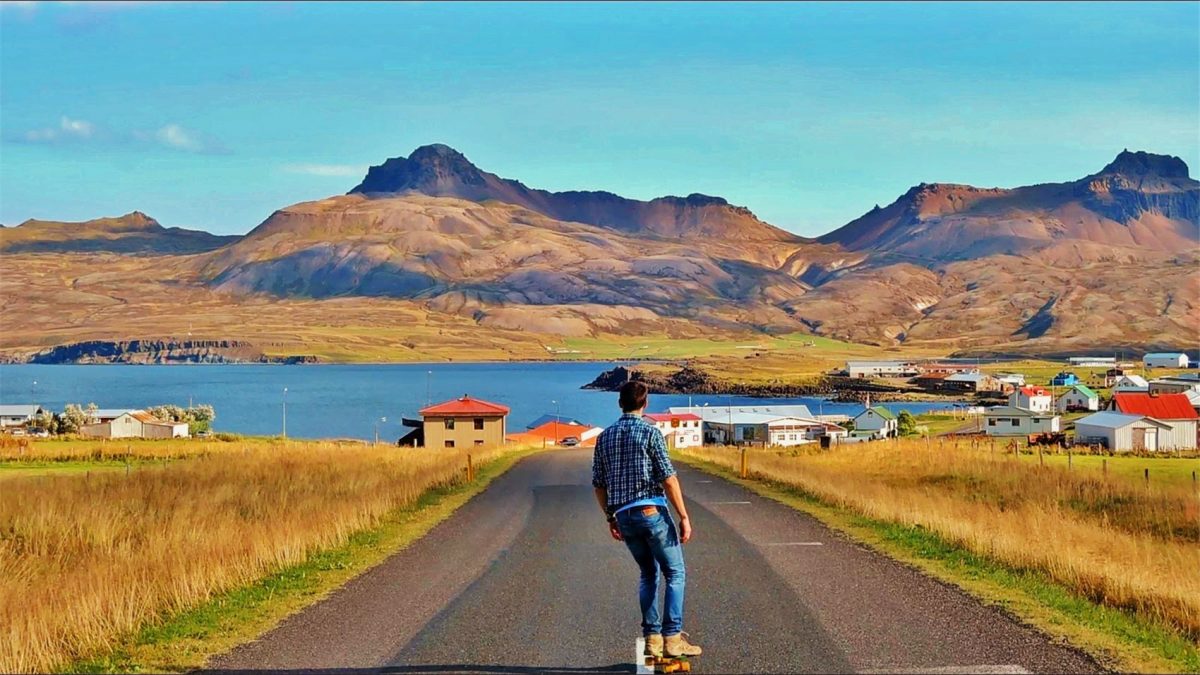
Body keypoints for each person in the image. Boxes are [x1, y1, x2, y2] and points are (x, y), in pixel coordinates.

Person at [592, 381, 702, 659]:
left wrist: (610, 517)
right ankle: (673, 638)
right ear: (645, 403)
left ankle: (652, 639)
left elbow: (599, 484)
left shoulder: (604, 437)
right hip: (651, 511)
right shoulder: (651, 433)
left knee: (648, 573)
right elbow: (668, 478)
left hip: (624, 515)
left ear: (620, 403)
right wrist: (684, 516)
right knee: (675, 572)